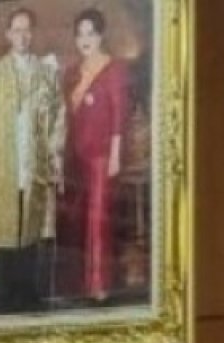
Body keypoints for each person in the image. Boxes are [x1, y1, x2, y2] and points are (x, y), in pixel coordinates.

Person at [0, 7, 65, 312]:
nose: (22, 36)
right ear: (8, 34)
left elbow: (59, 115)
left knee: (32, 225)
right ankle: (4, 293)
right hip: (5, 162)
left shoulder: (46, 73)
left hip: (34, 160)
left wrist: (55, 153)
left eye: (27, 30)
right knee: (6, 223)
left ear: (31, 34)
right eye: (17, 30)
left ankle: (29, 293)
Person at [60, 8, 130, 303]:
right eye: (80, 34)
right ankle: (81, 284)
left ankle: (99, 285)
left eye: (90, 33)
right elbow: (66, 117)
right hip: (77, 157)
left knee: (98, 221)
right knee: (78, 222)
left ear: (101, 36)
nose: (85, 39)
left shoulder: (113, 69)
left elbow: (119, 115)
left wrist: (115, 155)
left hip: (101, 157)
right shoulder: (72, 72)